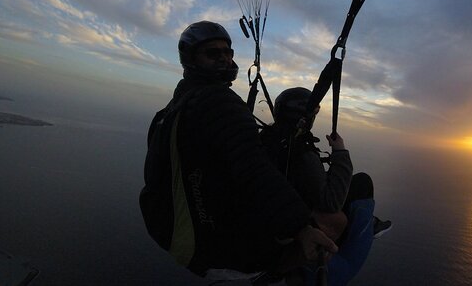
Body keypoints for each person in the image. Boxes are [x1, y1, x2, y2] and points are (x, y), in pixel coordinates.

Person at [139, 21, 337, 282]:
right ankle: (270, 275)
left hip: (177, 236)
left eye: (227, 52)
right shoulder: (219, 103)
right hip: (222, 250)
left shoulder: (173, 108)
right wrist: (301, 227)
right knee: (331, 224)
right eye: (213, 53)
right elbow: (254, 169)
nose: (224, 58)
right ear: (191, 59)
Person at [259, 87, 392, 285]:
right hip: (302, 218)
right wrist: (340, 153)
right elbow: (331, 202)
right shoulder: (300, 151)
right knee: (362, 182)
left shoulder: (267, 138)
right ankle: (368, 226)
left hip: (278, 210)